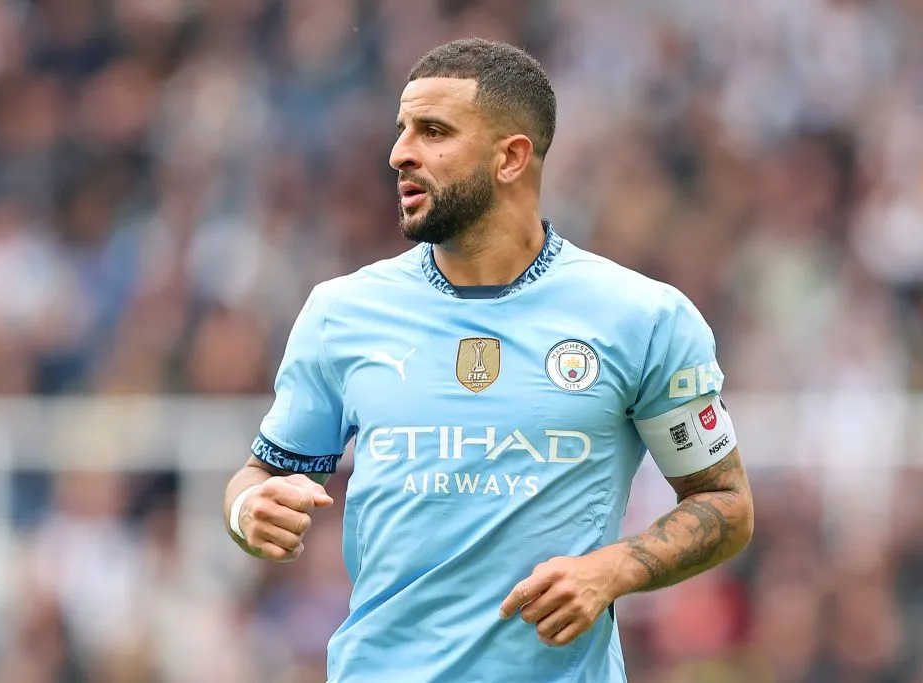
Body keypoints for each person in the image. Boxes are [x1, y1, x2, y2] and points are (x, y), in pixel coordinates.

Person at [222, 38, 754, 682]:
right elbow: (257, 477)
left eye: (434, 131)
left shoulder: (642, 318)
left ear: (511, 157)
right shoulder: (342, 314)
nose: (400, 153)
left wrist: (613, 569)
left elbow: (725, 504)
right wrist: (248, 510)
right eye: (402, 130)